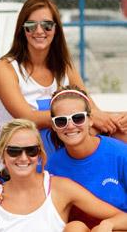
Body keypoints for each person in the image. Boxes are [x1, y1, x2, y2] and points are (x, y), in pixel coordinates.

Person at [0, 0, 127, 159]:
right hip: (20, 156)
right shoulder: (5, 68)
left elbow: (89, 108)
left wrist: (117, 118)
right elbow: (27, 117)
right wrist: (90, 116)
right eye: (31, 25)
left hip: (59, 150)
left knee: (121, 128)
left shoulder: (64, 65)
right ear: (22, 29)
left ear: (56, 29)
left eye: (47, 25)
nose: (39, 31)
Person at [0, 118, 127, 232]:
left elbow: (122, 217)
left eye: (31, 150)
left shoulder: (60, 188)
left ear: (39, 153)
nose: (23, 157)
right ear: (2, 154)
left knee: (76, 228)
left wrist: (108, 224)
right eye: (14, 151)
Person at [45, 85, 127, 228]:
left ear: (90, 120)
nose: (70, 126)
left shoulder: (120, 154)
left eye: (78, 118)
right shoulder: (53, 165)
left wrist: (109, 224)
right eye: (61, 121)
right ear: (53, 126)